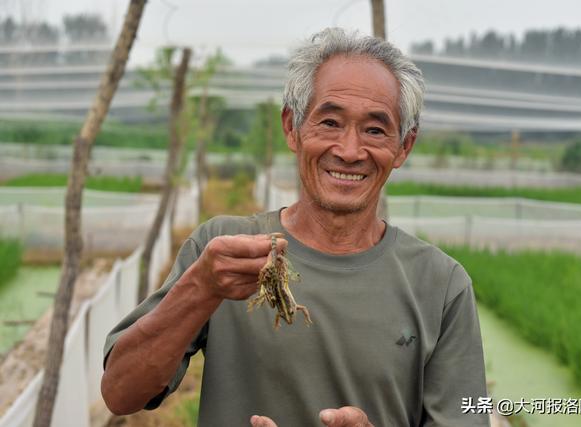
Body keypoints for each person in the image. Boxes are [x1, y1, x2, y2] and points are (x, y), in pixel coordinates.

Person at [101, 28, 489, 427]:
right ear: (292, 128)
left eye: (375, 129)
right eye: (330, 122)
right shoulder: (224, 252)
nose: (350, 151)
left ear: (403, 146)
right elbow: (120, 393)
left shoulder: (441, 285)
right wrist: (200, 288)